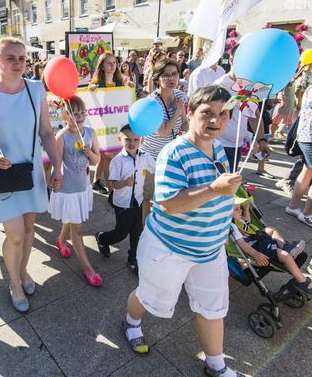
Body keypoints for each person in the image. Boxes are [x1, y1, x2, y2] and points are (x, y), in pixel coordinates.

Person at [123, 85, 244, 377]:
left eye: (223, 114)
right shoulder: (174, 152)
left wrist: (229, 210)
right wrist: (214, 189)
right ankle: (131, 322)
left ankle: (216, 365)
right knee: (149, 297)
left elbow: (221, 191)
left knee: (213, 308)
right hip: (169, 249)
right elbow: (169, 204)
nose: (215, 120)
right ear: (189, 112)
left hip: (210, 251)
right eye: (207, 113)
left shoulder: (218, 148)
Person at [0, 36, 62, 313]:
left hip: (31, 173)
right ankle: (14, 282)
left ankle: (22, 270)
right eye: (10, 58)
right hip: (2, 174)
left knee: (30, 229)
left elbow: (47, 132)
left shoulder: (35, 88)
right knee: (16, 235)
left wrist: (58, 167)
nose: (18, 63)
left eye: (22, 58)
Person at [48, 96, 102, 286]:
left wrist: (90, 153)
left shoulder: (90, 133)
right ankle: (87, 268)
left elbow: (97, 160)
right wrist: (54, 181)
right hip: (69, 189)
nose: (79, 117)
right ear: (65, 116)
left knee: (72, 220)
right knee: (77, 229)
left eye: (81, 113)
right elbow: (56, 164)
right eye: (74, 114)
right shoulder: (61, 137)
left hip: (83, 187)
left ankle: (61, 240)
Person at [95, 124, 155, 272]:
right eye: (127, 139)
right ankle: (102, 238)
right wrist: (125, 183)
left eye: (136, 139)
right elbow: (113, 184)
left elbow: (157, 169)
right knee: (121, 234)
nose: (132, 143)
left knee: (137, 233)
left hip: (138, 201)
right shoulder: (118, 161)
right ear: (119, 139)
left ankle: (132, 259)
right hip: (122, 204)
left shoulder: (145, 157)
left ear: (142, 140)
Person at [139, 59, 188, 222]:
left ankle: (164, 225)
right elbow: (163, 132)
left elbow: (185, 123)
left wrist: (184, 139)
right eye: (166, 75)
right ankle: (145, 227)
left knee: (169, 195)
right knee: (148, 197)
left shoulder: (179, 95)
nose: (171, 78)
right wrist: (178, 110)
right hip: (151, 156)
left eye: (174, 74)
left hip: (172, 155)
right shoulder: (152, 102)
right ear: (157, 78)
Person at [232, 199, 310, 293]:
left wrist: (246, 208)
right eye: (236, 209)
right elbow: (242, 243)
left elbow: (247, 221)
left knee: (270, 229)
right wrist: (255, 254)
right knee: (284, 255)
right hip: (256, 247)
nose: (240, 210)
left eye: (239, 208)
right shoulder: (232, 227)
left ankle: (286, 247)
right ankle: (302, 282)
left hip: (257, 238)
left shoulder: (239, 219)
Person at [214, 45, 263, 173]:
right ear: (231, 61)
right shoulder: (220, 85)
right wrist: (238, 98)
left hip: (237, 145)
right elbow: (215, 114)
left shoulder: (250, 85)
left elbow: (255, 114)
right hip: (219, 145)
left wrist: (262, 140)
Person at [89, 53, 132, 196]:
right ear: (102, 66)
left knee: (105, 159)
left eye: (114, 62)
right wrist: (91, 91)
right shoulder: (95, 85)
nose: (113, 65)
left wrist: (130, 88)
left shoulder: (121, 83)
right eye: (109, 63)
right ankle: (112, 191)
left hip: (117, 127)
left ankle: (96, 182)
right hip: (102, 128)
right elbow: (90, 104)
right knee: (108, 158)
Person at [286, 78, 312, 227]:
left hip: (305, 137)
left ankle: (293, 206)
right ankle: (308, 214)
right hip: (309, 138)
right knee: (307, 171)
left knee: (307, 171)